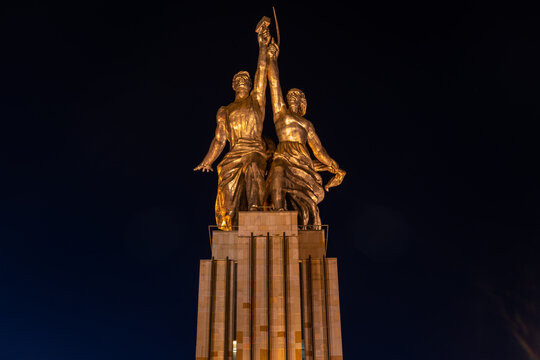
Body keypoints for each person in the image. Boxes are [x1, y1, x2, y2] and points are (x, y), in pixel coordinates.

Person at [194, 17, 271, 230]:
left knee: (255, 167)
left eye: (246, 79)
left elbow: (262, 72)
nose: (242, 81)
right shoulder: (225, 110)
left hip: (254, 149)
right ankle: (230, 221)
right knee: (227, 197)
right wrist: (207, 161)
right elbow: (219, 139)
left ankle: (256, 212)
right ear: (233, 85)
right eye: (238, 80)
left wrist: (262, 46)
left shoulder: (257, 100)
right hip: (234, 154)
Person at [266, 39, 346, 227]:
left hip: (302, 159)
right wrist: (272, 59)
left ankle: (297, 215)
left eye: (298, 95)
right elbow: (274, 83)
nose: (294, 96)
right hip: (284, 154)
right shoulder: (280, 113)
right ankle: (279, 211)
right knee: (277, 171)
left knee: (304, 193)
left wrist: (334, 165)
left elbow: (318, 150)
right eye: (291, 95)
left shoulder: (307, 124)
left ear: (303, 103)